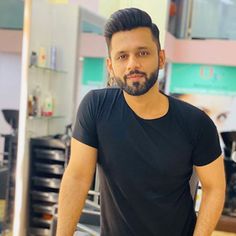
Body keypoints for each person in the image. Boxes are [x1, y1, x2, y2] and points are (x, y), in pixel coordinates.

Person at [56, 8, 226, 236]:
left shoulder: (196, 123)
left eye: (143, 53)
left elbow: (214, 188)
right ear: (110, 65)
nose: (132, 64)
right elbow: (77, 177)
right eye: (122, 56)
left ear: (161, 58)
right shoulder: (96, 107)